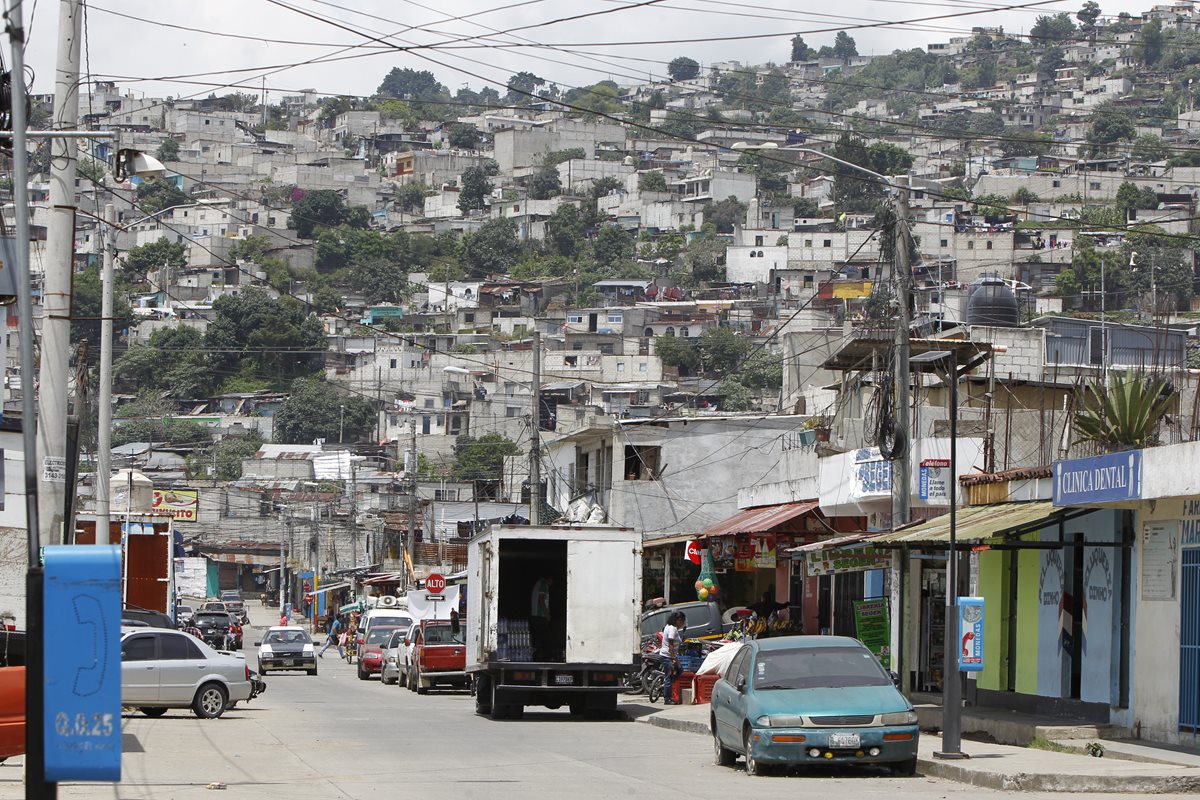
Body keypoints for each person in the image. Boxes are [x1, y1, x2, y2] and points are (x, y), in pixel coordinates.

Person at [657, 612, 686, 704]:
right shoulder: (672, 629)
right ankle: (667, 699)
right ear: (678, 620)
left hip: (669, 655)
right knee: (669, 676)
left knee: (679, 669)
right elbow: (670, 644)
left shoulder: (669, 626)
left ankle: (666, 686)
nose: (682, 624)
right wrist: (673, 658)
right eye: (682, 621)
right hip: (667, 656)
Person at [530, 576, 553, 661]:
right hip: (540, 617)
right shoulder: (543, 585)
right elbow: (541, 600)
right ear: (550, 579)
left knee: (538, 639)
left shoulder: (538, 583)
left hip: (536, 616)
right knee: (546, 640)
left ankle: (537, 659)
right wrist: (547, 614)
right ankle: (545, 660)